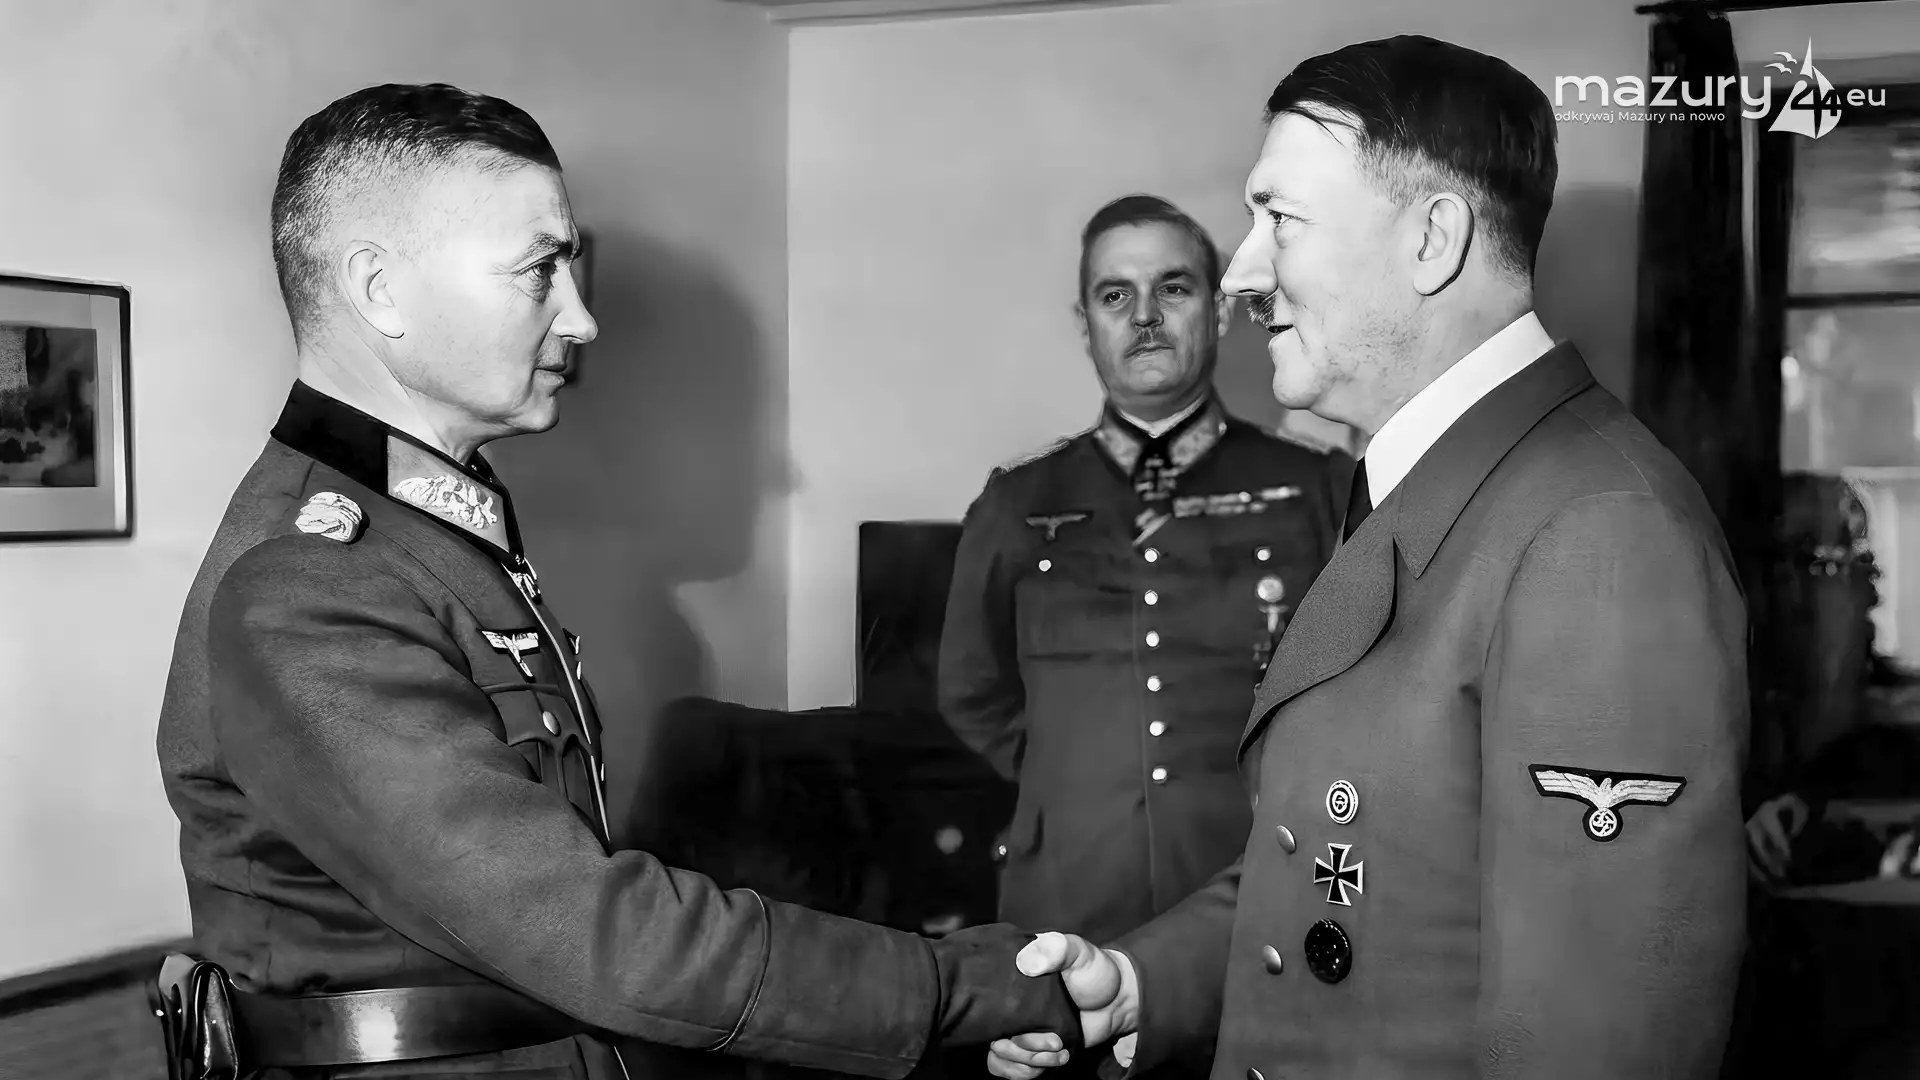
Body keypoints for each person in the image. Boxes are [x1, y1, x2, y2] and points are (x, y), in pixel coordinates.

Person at [153, 82, 1080, 1080]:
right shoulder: (310, 582)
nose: (583, 318)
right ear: (380, 289)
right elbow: (592, 930)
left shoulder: (422, 533)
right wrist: (956, 988)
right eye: (540, 269)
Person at [990, 35, 1749, 1080]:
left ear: (1432, 240)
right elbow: (1335, 866)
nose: (1242, 274)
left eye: (1281, 220)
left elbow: (1597, 1042)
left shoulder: (1602, 532)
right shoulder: (1427, 482)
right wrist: (1141, 981)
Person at [938, 194, 1346, 1076]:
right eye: (1115, 295)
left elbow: (1355, 698)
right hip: (1067, 896)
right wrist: (1074, 780)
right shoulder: (1018, 500)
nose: (1146, 316)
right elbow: (972, 691)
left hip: (1255, 887)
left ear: (1221, 310)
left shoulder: (1314, 487)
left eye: (1174, 288)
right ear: (1084, 323)